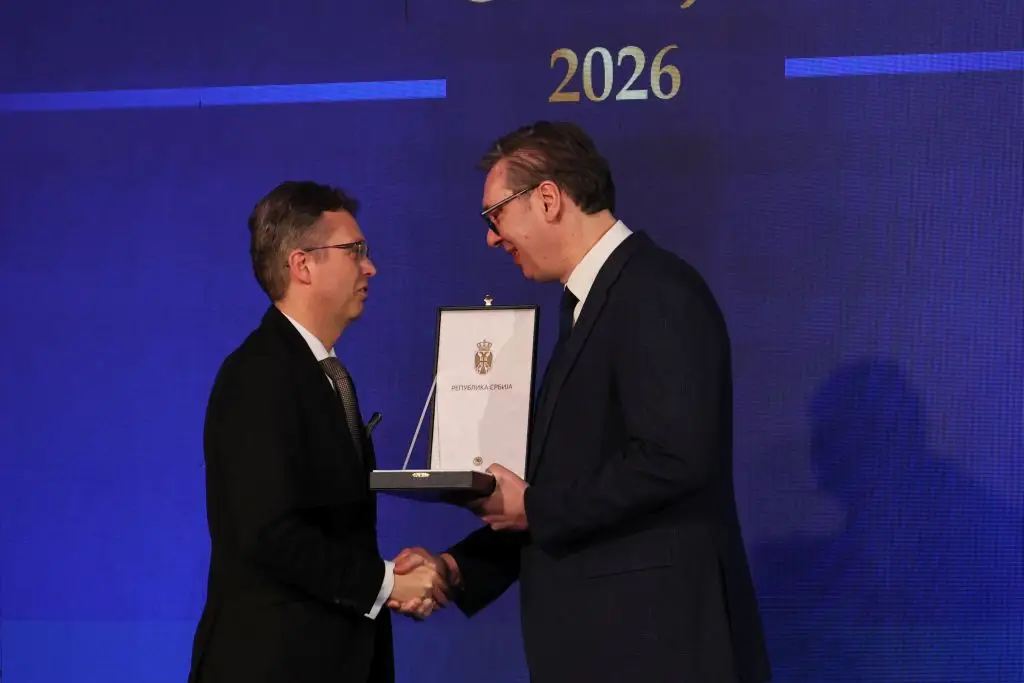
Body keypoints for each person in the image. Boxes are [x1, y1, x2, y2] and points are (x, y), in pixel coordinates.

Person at [390, 122, 772, 683]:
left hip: (655, 652)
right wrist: (455, 567)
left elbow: (673, 460)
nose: (492, 239)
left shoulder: (656, 292)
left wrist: (533, 506)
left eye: (495, 216)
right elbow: (569, 491)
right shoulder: (589, 306)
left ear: (547, 199)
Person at [187, 181, 446, 683]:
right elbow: (268, 531)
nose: (370, 268)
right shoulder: (257, 374)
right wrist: (387, 583)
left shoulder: (323, 373)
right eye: (355, 251)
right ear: (302, 265)